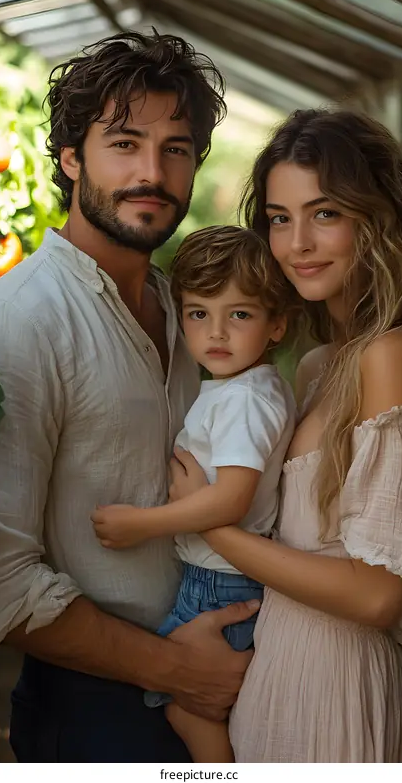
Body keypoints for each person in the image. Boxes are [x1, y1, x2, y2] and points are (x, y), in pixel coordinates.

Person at [0, 31, 259, 763]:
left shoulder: (186, 312)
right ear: (71, 158)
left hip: (206, 679)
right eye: (124, 143)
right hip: (99, 708)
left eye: (176, 148)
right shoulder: (17, 326)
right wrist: (182, 671)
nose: (152, 172)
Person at [167, 109, 402, 762]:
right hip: (276, 674)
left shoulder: (394, 355)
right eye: (279, 218)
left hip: (337, 690)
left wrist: (216, 527)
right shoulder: (323, 363)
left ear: (378, 219)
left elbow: (377, 595)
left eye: (324, 214)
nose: (296, 245)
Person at [92, 225, 298, 761]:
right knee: (195, 707)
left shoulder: (244, 402)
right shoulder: (247, 387)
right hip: (223, 575)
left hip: (221, 584)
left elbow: (230, 499)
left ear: (277, 323)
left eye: (241, 315)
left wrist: (142, 523)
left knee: (193, 708)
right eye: (199, 313)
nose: (216, 333)